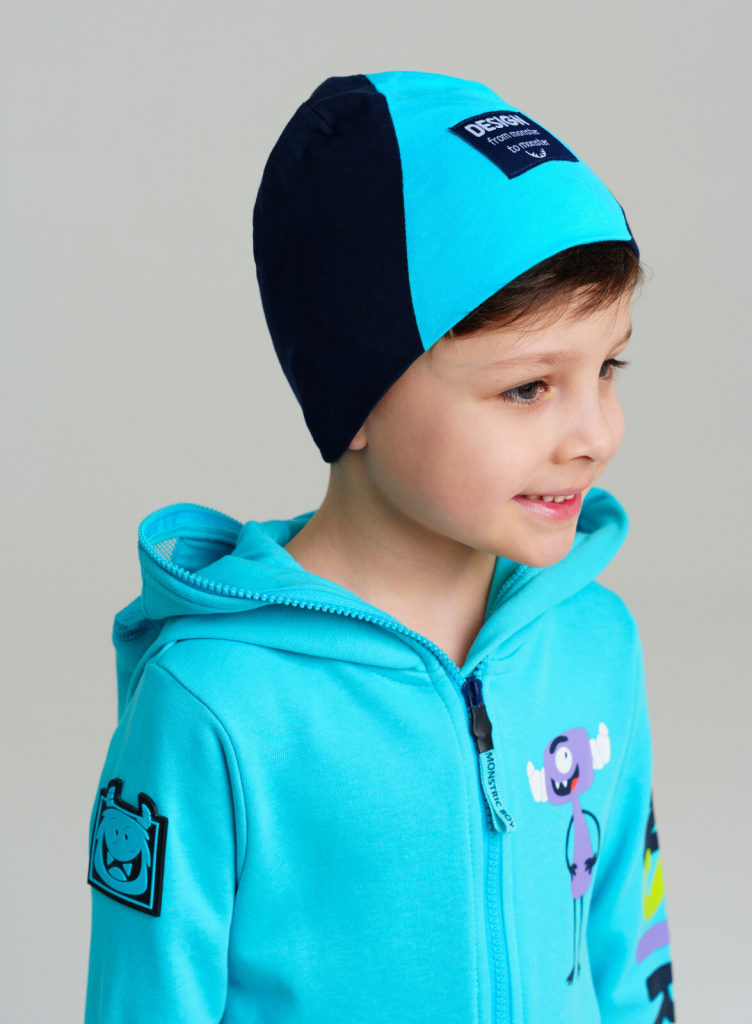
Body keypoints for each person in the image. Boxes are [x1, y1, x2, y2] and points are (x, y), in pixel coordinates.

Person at [85, 72, 675, 1023]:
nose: (598, 433)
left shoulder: (594, 641)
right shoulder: (213, 704)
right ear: (354, 395)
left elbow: (629, 952)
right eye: (528, 388)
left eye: (608, 366)